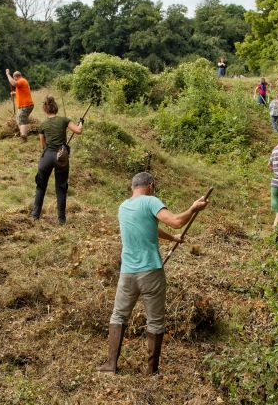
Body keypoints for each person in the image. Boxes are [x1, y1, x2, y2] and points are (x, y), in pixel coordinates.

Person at [97, 172, 209, 375]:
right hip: (151, 272)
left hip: (127, 273)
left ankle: (110, 365)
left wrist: (172, 238)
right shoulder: (151, 201)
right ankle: (151, 370)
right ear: (151, 185)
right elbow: (176, 221)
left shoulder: (123, 207)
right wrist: (193, 208)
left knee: (119, 315)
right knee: (155, 321)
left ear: (132, 187)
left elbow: (150, 227)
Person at [31, 96, 84, 225]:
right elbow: (78, 131)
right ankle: (61, 220)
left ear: (45, 109)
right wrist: (81, 122)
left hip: (47, 157)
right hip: (61, 157)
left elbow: (42, 145)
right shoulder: (64, 120)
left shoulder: (43, 125)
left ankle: (35, 216)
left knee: (41, 186)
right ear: (56, 108)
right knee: (61, 187)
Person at [5, 69, 34, 142]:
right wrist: (14, 93)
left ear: (16, 77)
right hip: (23, 105)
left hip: (26, 105)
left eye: (14, 78)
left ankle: (24, 138)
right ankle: (22, 134)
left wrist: (8, 74)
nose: (14, 79)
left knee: (22, 120)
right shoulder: (22, 81)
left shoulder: (21, 80)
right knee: (19, 120)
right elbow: (22, 91)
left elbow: (13, 83)